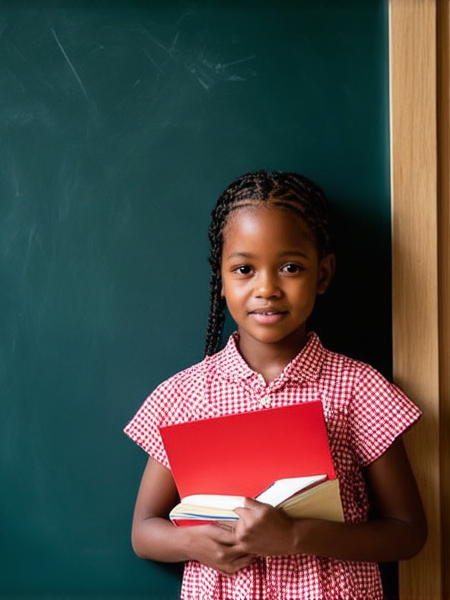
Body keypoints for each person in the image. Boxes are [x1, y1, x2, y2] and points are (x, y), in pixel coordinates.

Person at [124, 170, 427, 600]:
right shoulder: (184, 395)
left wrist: (295, 537)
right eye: (244, 269)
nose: (267, 288)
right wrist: (195, 543)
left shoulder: (358, 387)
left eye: (290, 267)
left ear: (322, 275)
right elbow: (144, 531)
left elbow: (407, 533)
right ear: (222, 281)